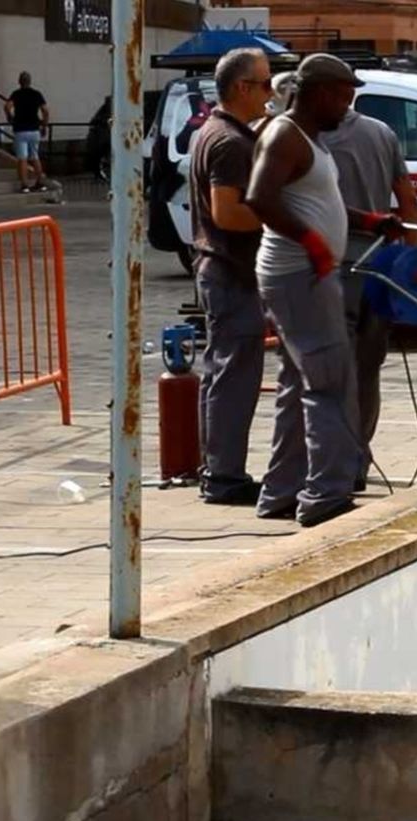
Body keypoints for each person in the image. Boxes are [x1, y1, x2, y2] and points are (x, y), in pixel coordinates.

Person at [245, 54, 404, 528]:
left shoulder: (311, 140)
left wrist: (369, 220)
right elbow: (259, 197)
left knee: (300, 382)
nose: (347, 106)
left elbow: (319, 203)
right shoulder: (283, 135)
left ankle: (281, 491)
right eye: (342, 96)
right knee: (332, 380)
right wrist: (312, 241)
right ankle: (326, 495)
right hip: (299, 275)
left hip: (305, 273)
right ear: (316, 93)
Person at [320, 68, 417, 492]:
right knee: (367, 370)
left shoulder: (309, 139)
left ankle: (334, 465)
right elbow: (408, 201)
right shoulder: (383, 133)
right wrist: (411, 261)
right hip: (379, 268)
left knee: (329, 371)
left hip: (333, 268)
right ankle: (358, 459)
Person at [188, 48, 272, 506]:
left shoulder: (216, 132)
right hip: (230, 270)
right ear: (242, 88)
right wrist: (278, 215)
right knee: (234, 376)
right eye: (263, 85)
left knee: (222, 373)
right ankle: (224, 476)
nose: (270, 93)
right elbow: (227, 214)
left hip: (221, 269)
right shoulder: (229, 143)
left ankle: (218, 470)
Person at [4, 72, 49, 193]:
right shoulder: (36, 94)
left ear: (19, 81)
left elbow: (7, 106)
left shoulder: (16, 94)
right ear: (30, 81)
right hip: (34, 129)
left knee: (22, 158)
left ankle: (25, 185)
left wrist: (10, 117)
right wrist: (44, 125)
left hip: (20, 129)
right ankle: (40, 182)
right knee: (35, 156)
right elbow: (45, 110)